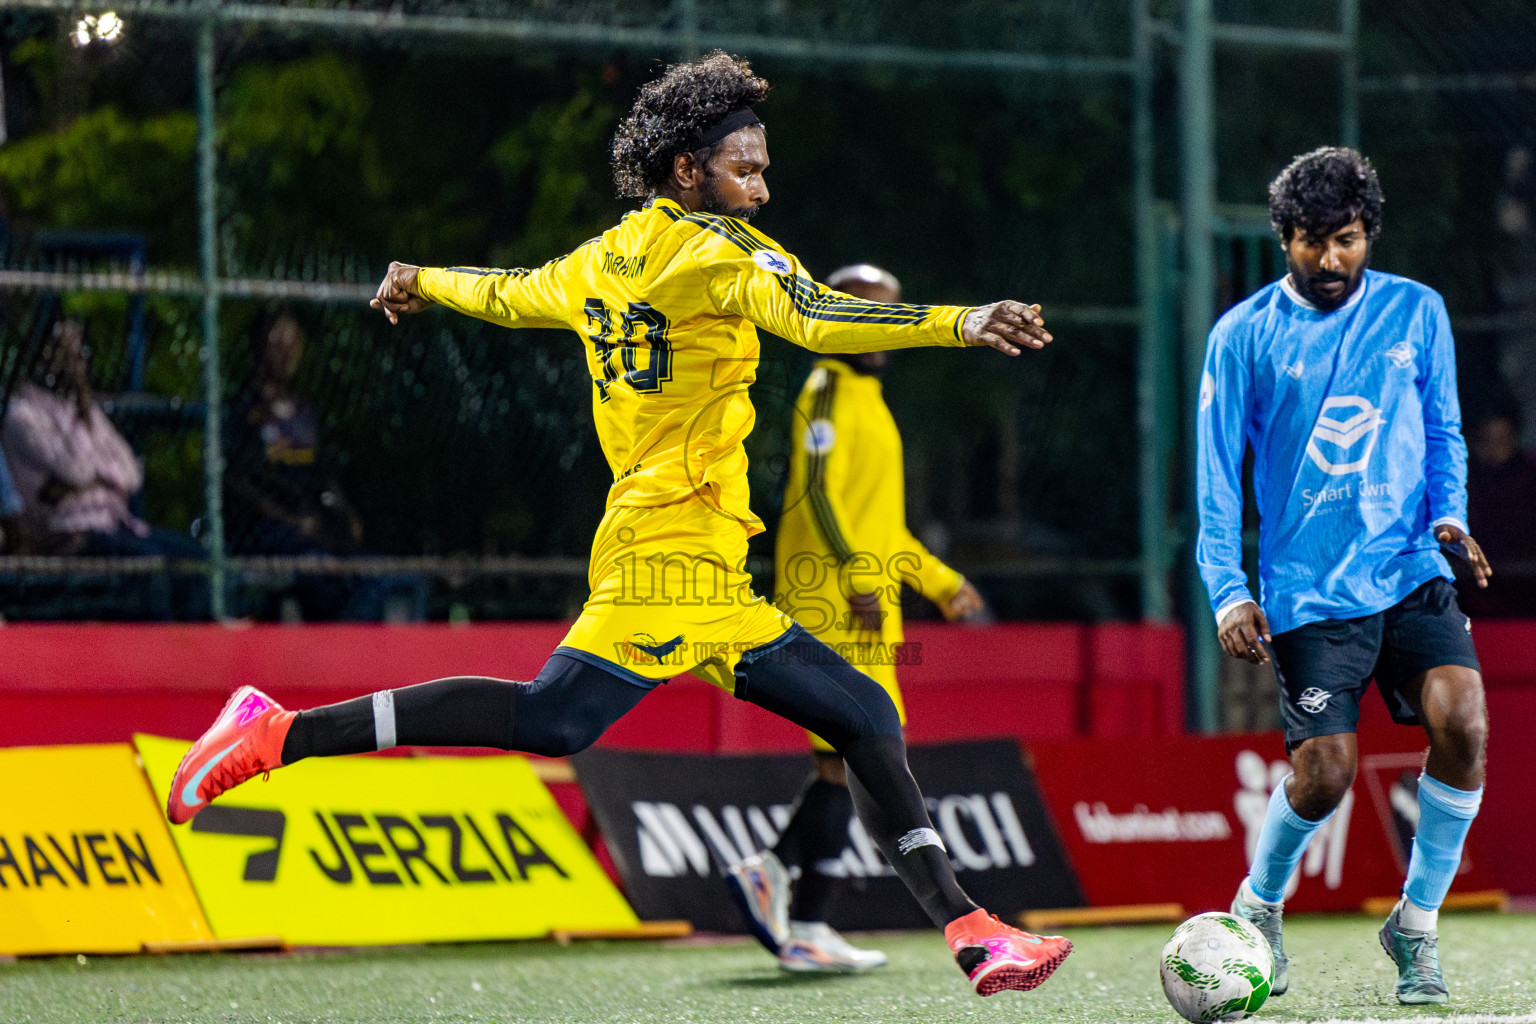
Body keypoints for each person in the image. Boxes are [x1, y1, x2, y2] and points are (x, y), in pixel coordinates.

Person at [165, 51, 1070, 998]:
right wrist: (961, 323)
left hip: (703, 570)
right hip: (666, 558)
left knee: (863, 713)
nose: (762, 186)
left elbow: (509, 293)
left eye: (763, 167)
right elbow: (819, 316)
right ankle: (278, 734)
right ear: (688, 170)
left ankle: (972, 931)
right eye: (745, 168)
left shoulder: (601, 258)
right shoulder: (723, 257)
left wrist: (421, 276)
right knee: (552, 719)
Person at [1198, 147, 1491, 1006]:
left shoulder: (1416, 311)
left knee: (1465, 726)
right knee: (1324, 772)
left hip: (1407, 565)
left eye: (1349, 240)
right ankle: (1260, 905)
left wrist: (1451, 515)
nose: (1332, 260)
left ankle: (1417, 926)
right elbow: (1216, 476)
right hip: (1306, 588)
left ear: (1369, 235)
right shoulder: (1243, 335)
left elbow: (1445, 431)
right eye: (1314, 241)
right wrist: (1228, 587)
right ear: (1285, 237)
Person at [723, 263, 987, 972]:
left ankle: (792, 902)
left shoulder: (868, 399)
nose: (884, 327)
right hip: (838, 602)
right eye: (872, 311)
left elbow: (885, 526)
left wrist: (941, 583)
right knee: (863, 754)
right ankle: (792, 901)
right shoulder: (827, 390)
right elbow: (818, 496)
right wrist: (853, 575)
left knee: (848, 763)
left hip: (869, 603)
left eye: (891, 312)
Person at [0, 314, 207, 617]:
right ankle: (154, 659)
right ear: (44, 356)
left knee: (194, 560)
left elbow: (131, 474)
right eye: (67, 351)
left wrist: (87, 479)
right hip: (72, 531)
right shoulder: (24, 415)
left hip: (117, 525)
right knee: (146, 567)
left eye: (80, 351)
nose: (77, 360)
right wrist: (96, 476)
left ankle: (198, 655)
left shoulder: (85, 409)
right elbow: (77, 470)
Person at [225, 307, 375, 621]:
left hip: (313, 525)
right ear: (259, 349)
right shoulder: (244, 411)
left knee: (365, 569)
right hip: (266, 531)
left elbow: (323, 477)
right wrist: (289, 520)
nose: (287, 353)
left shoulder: (306, 411)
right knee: (319, 571)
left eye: (293, 343)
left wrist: (346, 515)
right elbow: (239, 483)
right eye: (277, 343)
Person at [1461, 405, 1536, 616]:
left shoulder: (1531, 474)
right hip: (1477, 589)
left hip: (1528, 588)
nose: (1494, 451)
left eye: (1501, 441)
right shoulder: (1462, 481)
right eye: (1486, 442)